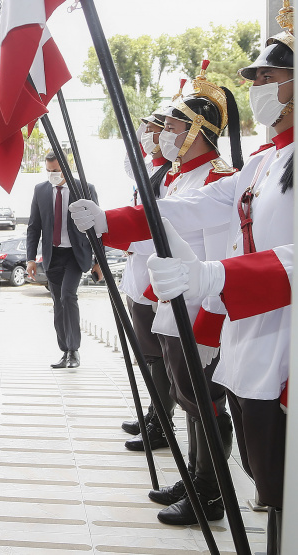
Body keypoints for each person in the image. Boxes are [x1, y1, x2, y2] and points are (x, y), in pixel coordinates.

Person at [72, 26, 292, 552]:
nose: (259, 86)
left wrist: (216, 279)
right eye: (256, 77)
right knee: (275, 487)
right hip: (254, 339)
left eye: (271, 76)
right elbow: (189, 209)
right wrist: (110, 220)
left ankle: (211, 493)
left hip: (282, 338)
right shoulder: (264, 162)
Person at [70, 61, 244, 527]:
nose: (164, 133)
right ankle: (196, 476)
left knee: (204, 399)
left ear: (198, 130)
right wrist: (108, 223)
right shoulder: (179, 175)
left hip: (202, 303)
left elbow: (208, 245)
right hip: (172, 298)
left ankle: (210, 491)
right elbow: (156, 220)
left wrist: (212, 319)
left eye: (172, 126)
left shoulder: (218, 177)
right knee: (187, 395)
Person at [119, 109, 176, 452]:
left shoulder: (170, 176)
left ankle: (161, 424)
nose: (149, 135)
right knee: (149, 353)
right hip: (138, 275)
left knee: (156, 355)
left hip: (153, 277)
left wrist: (126, 239)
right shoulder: (153, 169)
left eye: (158, 129)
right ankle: (155, 414)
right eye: (149, 130)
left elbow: (161, 230)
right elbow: (130, 163)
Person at [26, 151, 101, 369]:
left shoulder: (85, 189)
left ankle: (74, 350)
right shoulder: (40, 190)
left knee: (68, 296)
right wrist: (30, 259)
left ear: (66, 168)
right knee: (58, 302)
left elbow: (98, 226)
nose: (53, 175)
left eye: (57, 170)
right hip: (53, 255)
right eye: (49, 171)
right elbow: (34, 227)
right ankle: (65, 351)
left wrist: (99, 260)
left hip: (75, 255)